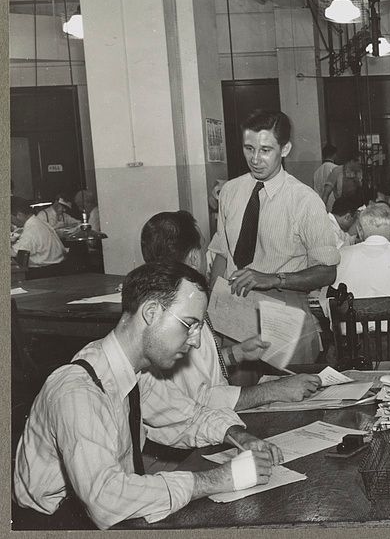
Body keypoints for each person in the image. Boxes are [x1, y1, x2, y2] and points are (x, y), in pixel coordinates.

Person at [13, 260, 283, 529]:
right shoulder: (78, 391)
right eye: (189, 325)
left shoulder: (134, 372)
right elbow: (106, 500)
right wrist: (221, 478)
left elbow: (183, 417)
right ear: (151, 312)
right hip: (51, 525)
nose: (196, 341)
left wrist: (238, 435)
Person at [140, 211, 321, 411]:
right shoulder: (181, 314)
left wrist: (237, 353)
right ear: (193, 258)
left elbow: (197, 370)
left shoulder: (163, 300)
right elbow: (203, 400)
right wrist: (277, 390)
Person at [208, 110, 340, 367]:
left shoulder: (305, 200)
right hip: (234, 309)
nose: (255, 159)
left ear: (285, 148)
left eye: (266, 150)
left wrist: (273, 279)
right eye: (249, 148)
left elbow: (327, 272)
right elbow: (222, 255)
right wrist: (213, 310)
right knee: (237, 397)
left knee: (287, 396)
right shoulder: (230, 192)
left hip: (284, 311)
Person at [11, 196, 66, 271]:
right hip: (57, 266)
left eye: (10, 218)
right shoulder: (37, 221)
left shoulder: (31, 228)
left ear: (19, 215)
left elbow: (15, 253)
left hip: (45, 272)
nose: (10, 221)